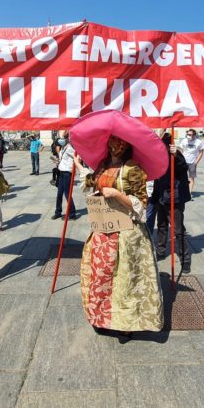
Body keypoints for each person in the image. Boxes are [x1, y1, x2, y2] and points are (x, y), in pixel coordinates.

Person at [76, 135, 163, 342]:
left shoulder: (133, 169)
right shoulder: (102, 166)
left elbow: (141, 203)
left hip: (127, 233)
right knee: (101, 276)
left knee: (125, 279)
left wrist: (115, 193)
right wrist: (79, 165)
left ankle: (126, 322)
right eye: (112, 143)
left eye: (120, 143)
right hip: (103, 230)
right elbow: (90, 182)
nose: (116, 147)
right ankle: (101, 317)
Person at [153, 133, 192, 273]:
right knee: (162, 226)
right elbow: (157, 178)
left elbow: (183, 167)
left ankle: (185, 259)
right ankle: (160, 251)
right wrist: (154, 196)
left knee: (178, 230)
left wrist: (177, 155)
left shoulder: (175, 156)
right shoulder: (159, 157)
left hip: (174, 199)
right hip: (161, 198)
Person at [52, 131, 76, 220]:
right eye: (61, 138)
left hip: (67, 173)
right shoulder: (62, 148)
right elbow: (63, 159)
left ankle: (72, 214)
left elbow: (77, 157)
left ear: (67, 139)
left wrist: (74, 168)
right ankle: (58, 212)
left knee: (67, 194)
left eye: (63, 138)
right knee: (59, 194)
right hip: (61, 173)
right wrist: (57, 161)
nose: (61, 140)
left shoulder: (69, 148)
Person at [178, 129, 204, 193]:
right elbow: (180, 149)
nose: (189, 136)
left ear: (194, 135)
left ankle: (189, 192)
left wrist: (196, 161)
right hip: (184, 162)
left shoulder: (198, 142)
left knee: (191, 178)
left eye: (190, 135)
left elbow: (201, 152)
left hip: (192, 162)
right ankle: (182, 190)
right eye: (188, 134)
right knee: (182, 177)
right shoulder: (184, 140)